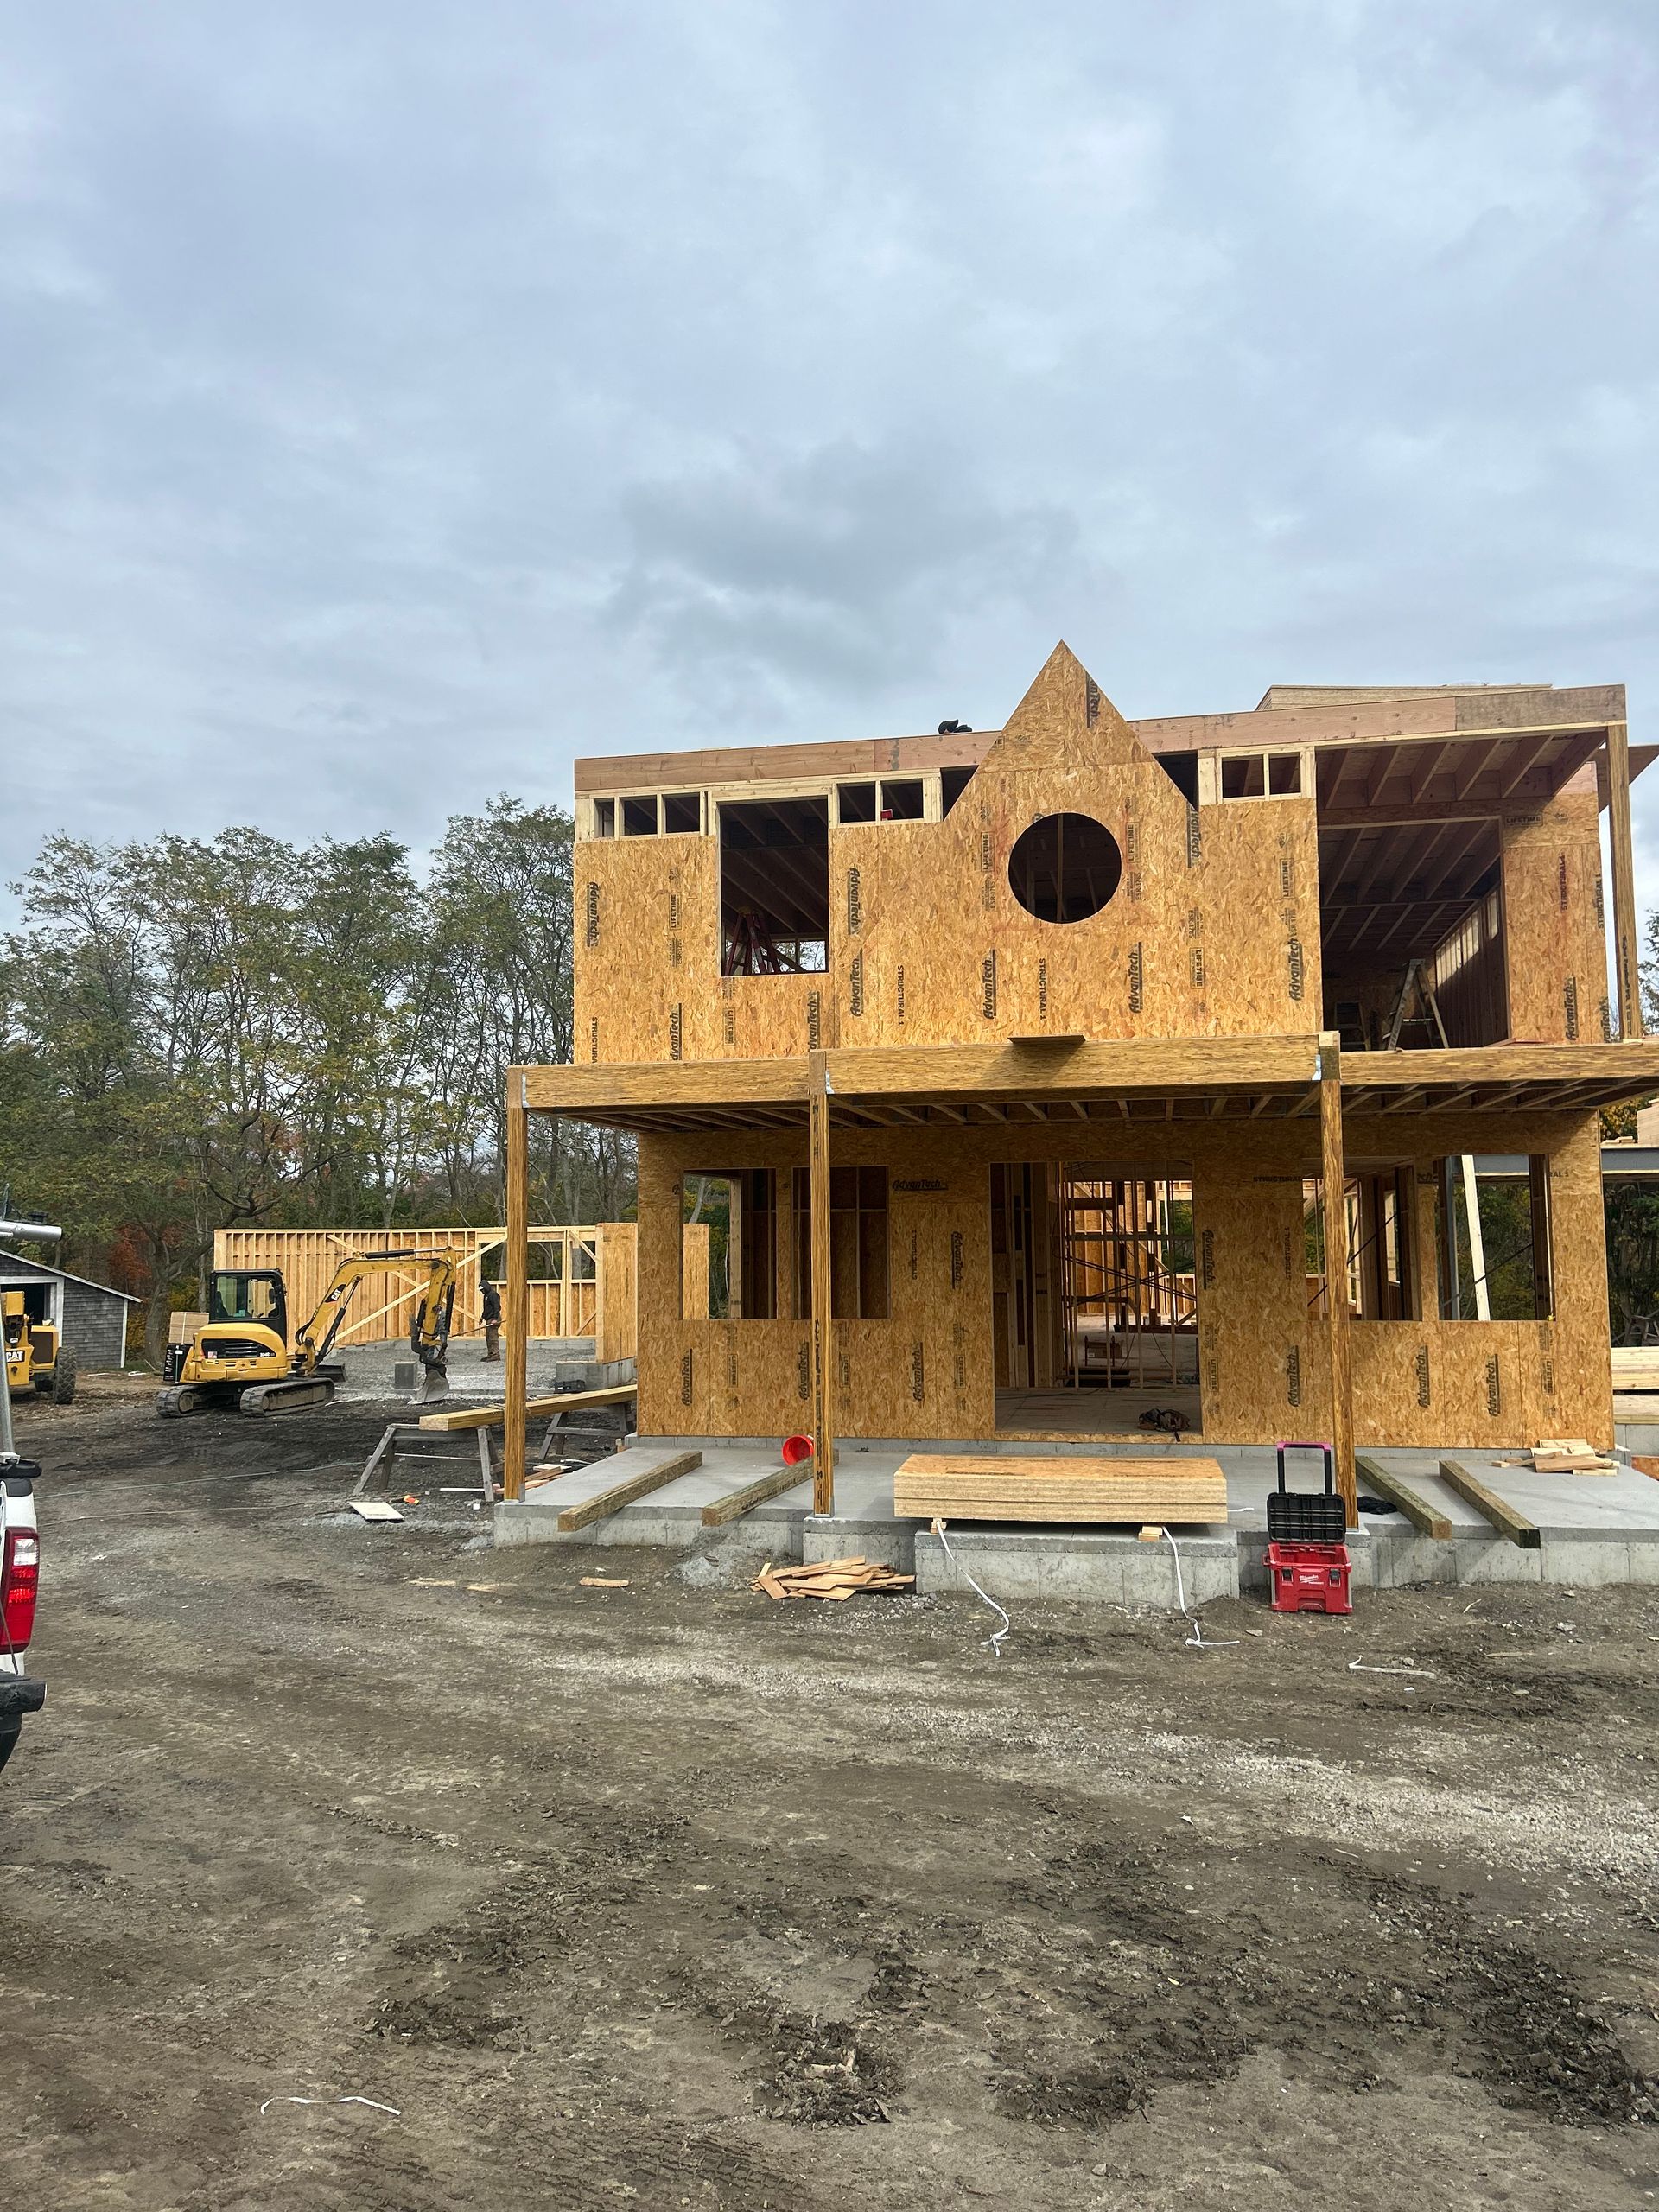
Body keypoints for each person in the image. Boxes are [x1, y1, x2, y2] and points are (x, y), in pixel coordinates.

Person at [480, 1277, 502, 1362]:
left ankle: (496, 1354)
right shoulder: (486, 1295)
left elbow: (497, 1307)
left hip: (493, 1318)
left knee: (493, 1337)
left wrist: (495, 1318)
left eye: (482, 1289)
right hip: (488, 1318)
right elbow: (486, 1308)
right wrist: (482, 1317)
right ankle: (490, 1354)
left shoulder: (493, 1294)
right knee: (488, 1337)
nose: (482, 1291)